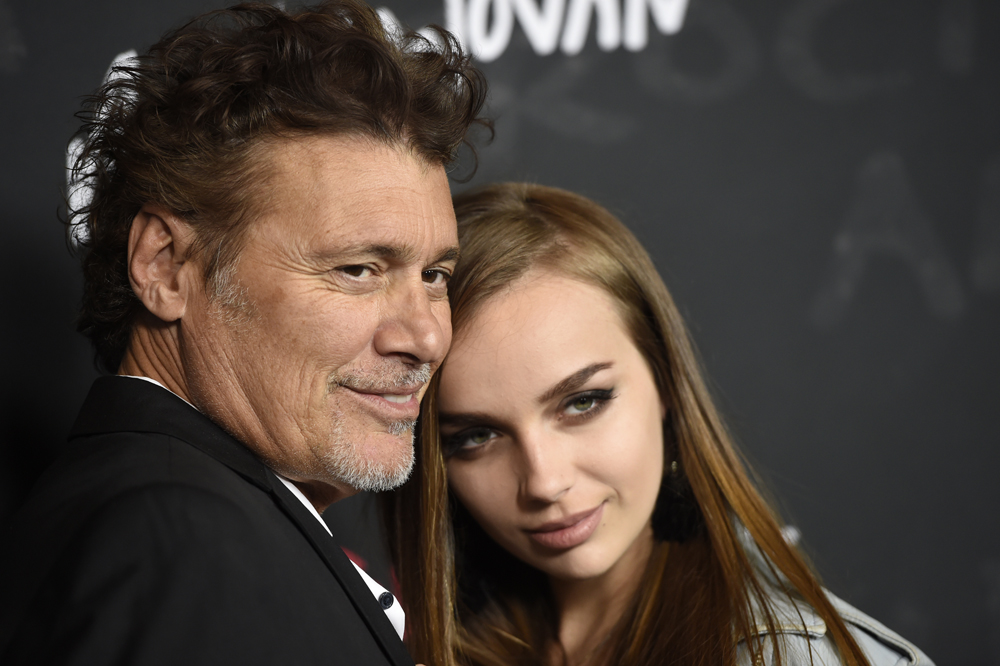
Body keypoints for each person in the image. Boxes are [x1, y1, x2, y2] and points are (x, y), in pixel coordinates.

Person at [0, 2, 487, 664]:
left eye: (433, 275)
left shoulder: (193, 515)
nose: (426, 338)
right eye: (357, 269)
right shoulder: (176, 539)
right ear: (167, 267)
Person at [382, 183, 935, 666]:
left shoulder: (791, 656)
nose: (545, 483)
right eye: (476, 437)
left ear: (667, 382)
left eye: (583, 403)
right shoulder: (412, 640)